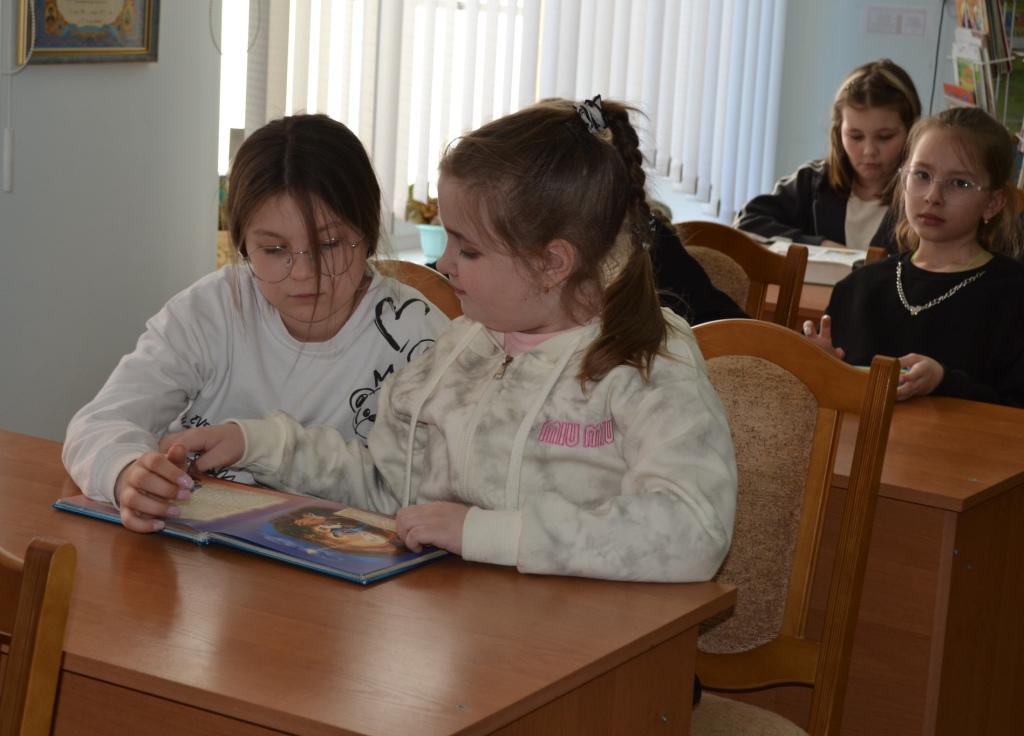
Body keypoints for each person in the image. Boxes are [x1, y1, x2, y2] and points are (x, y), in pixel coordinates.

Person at [162, 96, 738, 583]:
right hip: (461, 637)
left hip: (591, 656)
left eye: (469, 249)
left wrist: (484, 533)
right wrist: (257, 442)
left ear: (552, 263)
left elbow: (692, 531)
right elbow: (385, 486)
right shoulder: (464, 349)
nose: (443, 263)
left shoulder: (648, 365)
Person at [62, 114, 450, 532]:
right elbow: (98, 423)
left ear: (368, 233)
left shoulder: (418, 337)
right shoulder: (210, 311)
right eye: (274, 249)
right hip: (196, 556)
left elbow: (432, 489)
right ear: (244, 245)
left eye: (329, 244)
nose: (304, 273)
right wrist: (125, 474)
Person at [803, 107, 1024, 408]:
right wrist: (820, 368)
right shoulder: (858, 287)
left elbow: (1014, 410)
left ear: (993, 203)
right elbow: (832, 399)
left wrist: (944, 382)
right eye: (922, 175)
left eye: (959, 183)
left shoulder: (1012, 295)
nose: (933, 196)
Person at [735, 59, 921, 252]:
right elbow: (746, 223)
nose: (869, 151)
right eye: (855, 136)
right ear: (838, 132)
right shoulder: (812, 181)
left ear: (912, 132)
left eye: (885, 137)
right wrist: (819, 246)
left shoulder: (924, 195)